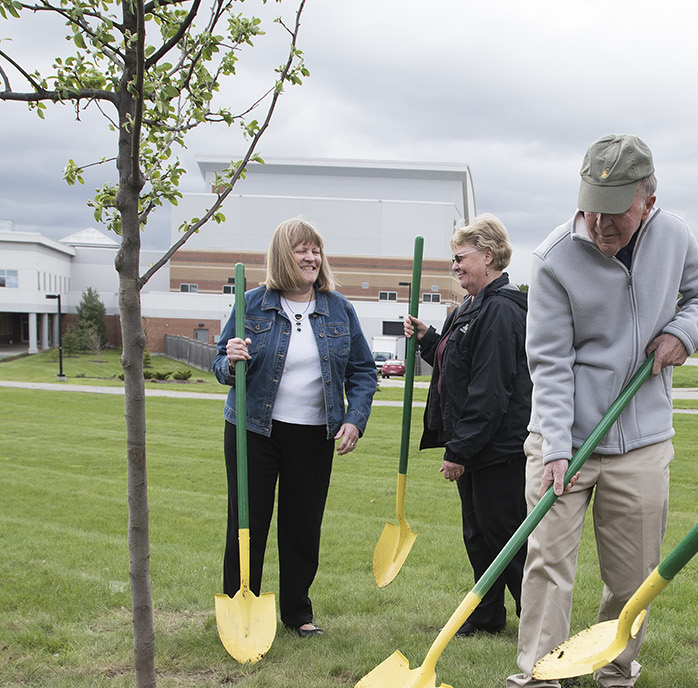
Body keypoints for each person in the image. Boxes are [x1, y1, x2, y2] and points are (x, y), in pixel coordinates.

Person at [508, 135, 698, 688]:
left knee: (634, 572)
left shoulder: (674, 236)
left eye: (615, 210)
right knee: (548, 564)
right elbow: (548, 362)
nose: (600, 223)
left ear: (647, 202)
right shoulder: (555, 257)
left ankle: (615, 671)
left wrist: (684, 331)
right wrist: (554, 446)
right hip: (566, 439)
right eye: (592, 207)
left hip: (643, 437)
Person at [212, 218, 377, 637]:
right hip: (254, 431)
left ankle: (297, 613)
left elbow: (362, 371)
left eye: (316, 250)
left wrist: (354, 420)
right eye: (302, 250)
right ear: (283, 256)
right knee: (247, 521)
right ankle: (240, 603)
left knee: (302, 524)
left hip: (314, 433)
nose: (311, 257)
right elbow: (219, 366)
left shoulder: (339, 308)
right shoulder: (250, 304)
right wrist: (230, 360)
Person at [404, 214, 531, 636]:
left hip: (498, 449)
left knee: (506, 538)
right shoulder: (473, 307)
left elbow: (489, 389)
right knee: (478, 535)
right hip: (480, 447)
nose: (454, 266)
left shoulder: (500, 309)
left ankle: (537, 620)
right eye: (452, 259)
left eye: (461, 258)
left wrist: (460, 450)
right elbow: (454, 365)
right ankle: (488, 615)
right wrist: (427, 338)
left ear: (488, 256)